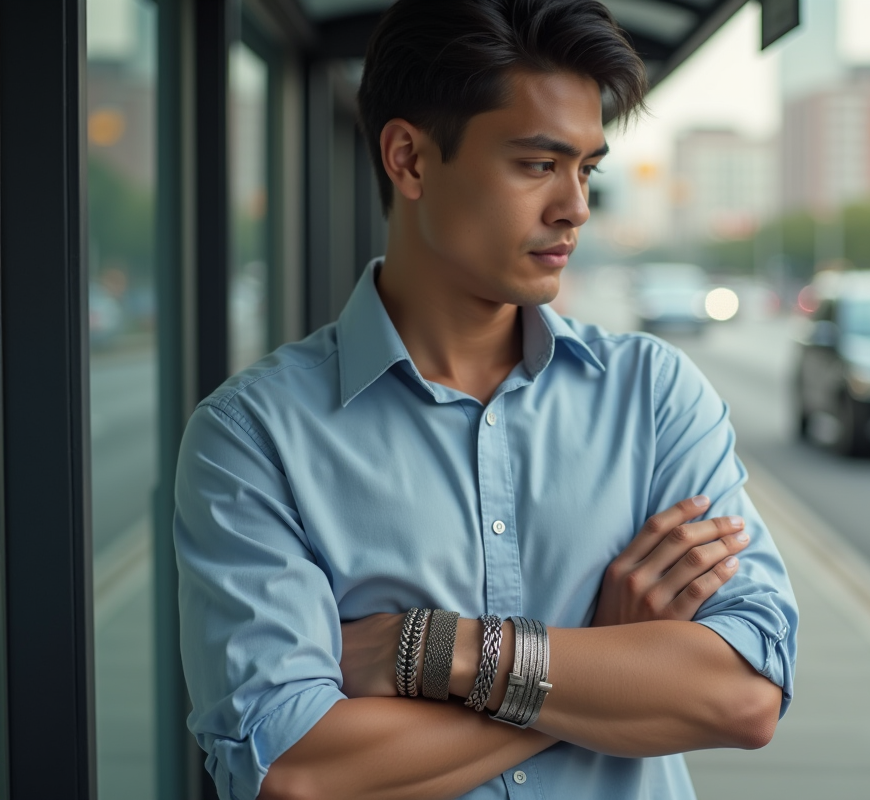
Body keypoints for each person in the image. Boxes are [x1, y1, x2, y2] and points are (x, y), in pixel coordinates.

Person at [173, 1, 798, 798]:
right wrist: (601, 658)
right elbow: (296, 773)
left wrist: (439, 651)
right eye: (538, 164)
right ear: (410, 159)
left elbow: (744, 695)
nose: (574, 206)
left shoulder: (654, 396)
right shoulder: (253, 437)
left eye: (587, 168)